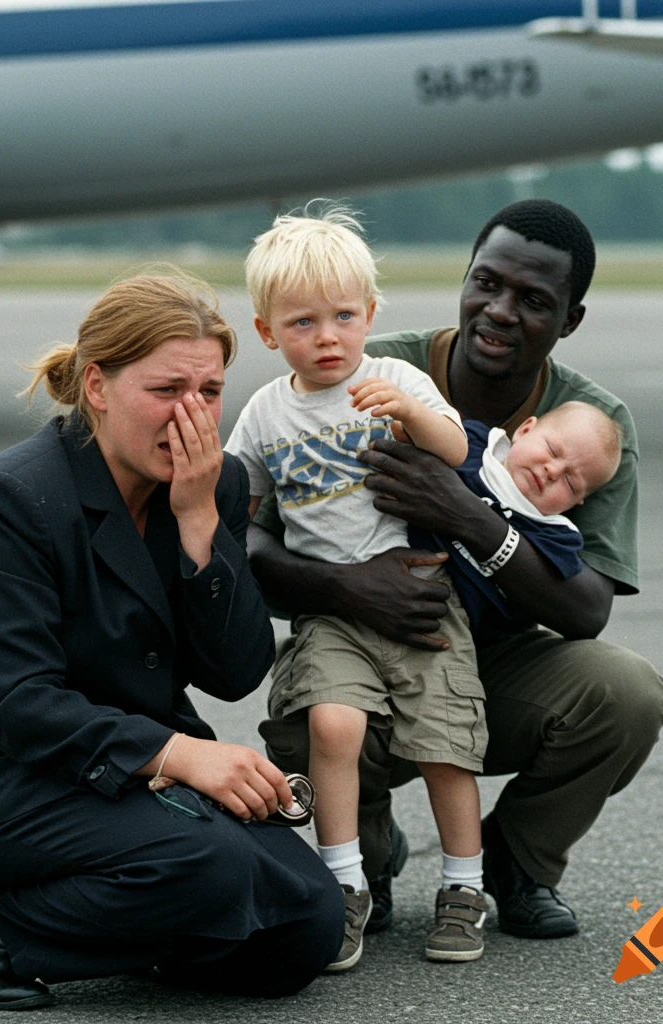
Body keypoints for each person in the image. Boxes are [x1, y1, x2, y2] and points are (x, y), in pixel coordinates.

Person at [0, 272, 345, 1011]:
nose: (191, 416)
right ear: (98, 386)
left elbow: (236, 671)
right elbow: (13, 701)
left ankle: (143, 923)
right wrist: (175, 753)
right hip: (0, 778)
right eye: (168, 389)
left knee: (308, 923)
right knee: (214, 872)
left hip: (138, 776)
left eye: (208, 393)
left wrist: (202, 525)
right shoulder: (11, 499)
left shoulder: (217, 486)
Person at [251, 199, 663, 941]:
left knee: (627, 695)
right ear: (467, 279)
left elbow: (584, 609)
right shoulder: (359, 367)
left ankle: (515, 866)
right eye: (487, 283)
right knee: (308, 724)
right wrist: (345, 587)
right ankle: (369, 861)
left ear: (570, 320)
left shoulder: (592, 425)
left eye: (535, 301)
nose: (501, 310)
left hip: (496, 655)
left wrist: (467, 515)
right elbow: (248, 544)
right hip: (364, 636)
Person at [226, 205, 494, 968]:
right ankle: (345, 886)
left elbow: (455, 451)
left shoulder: (393, 378)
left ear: (371, 315)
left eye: (344, 316)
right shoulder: (266, 412)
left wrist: (411, 411)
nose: (329, 337)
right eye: (303, 322)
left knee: (446, 750)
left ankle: (463, 889)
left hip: (420, 600)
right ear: (268, 332)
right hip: (334, 616)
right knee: (332, 729)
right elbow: (239, 503)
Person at [423, 401, 624, 637]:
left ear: (577, 502)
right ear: (525, 430)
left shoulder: (555, 536)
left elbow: (554, 595)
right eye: (552, 450)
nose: (553, 471)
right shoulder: (472, 444)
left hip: (449, 629)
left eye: (570, 482)